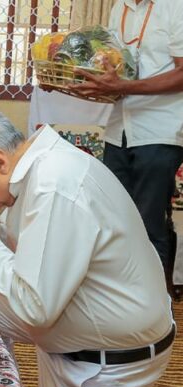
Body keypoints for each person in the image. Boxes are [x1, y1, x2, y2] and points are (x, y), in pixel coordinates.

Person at [0, 109, 174, 387]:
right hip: (107, 319)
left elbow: (35, 308)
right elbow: (35, 249)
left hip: (113, 354)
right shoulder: (45, 163)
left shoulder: (53, 183)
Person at [70, 0, 183, 289]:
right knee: (114, 222)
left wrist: (122, 87)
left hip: (159, 131)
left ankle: (156, 306)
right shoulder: (119, 6)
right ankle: (122, 300)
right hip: (118, 129)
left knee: (149, 223)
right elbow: (115, 71)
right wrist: (69, 81)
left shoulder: (175, 7)